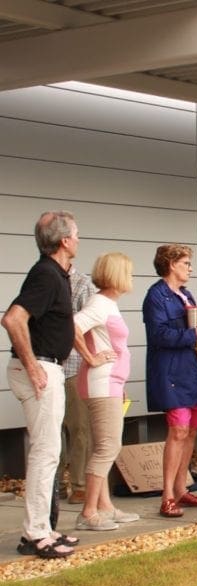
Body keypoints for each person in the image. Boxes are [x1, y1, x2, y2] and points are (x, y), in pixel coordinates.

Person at [2, 211, 82, 559]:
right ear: (64, 241)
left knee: (47, 453)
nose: (78, 239)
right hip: (41, 370)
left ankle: (42, 529)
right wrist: (34, 366)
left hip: (48, 369)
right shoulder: (47, 275)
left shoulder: (56, 275)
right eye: (76, 234)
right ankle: (36, 534)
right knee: (45, 454)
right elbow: (12, 318)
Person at [143, 244, 197, 518]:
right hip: (172, 371)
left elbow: (193, 328)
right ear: (171, 264)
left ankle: (181, 488)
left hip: (195, 370)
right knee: (178, 431)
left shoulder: (184, 294)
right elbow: (159, 335)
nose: (190, 267)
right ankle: (167, 496)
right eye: (185, 262)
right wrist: (194, 333)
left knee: (193, 431)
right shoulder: (156, 296)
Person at [72, 252, 139, 531]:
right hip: (101, 382)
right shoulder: (100, 303)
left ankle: (105, 507)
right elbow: (72, 326)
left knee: (106, 445)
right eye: (129, 272)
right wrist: (90, 357)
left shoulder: (107, 304)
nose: (131, 277)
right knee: (108, 447)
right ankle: (88, 512)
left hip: (111, 383)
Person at [61, 266, 96, 506]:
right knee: (55, 432)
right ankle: (58, 486)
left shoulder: (82, 284)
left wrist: (90, 359)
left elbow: (89, 328)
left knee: (80, 429)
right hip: (48, 368)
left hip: (74, 367)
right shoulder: (42, 280)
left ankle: (79, 485)